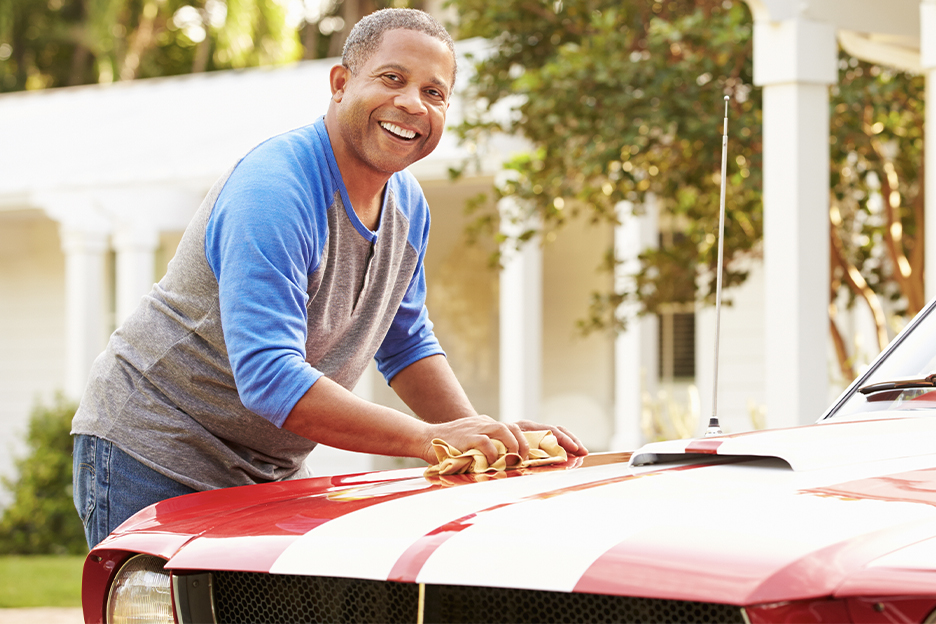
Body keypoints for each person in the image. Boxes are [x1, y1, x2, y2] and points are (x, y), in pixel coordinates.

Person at [71, 8, 586, 550]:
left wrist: (486, 438)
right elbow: (269, 376)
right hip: (154, 448)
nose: (413, 103)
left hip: (267, 464)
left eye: (434, 93)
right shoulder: (275, 189)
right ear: (341, 84)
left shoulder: (408, 206)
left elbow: (405, 343)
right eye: (393, 78)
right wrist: (431, 440)